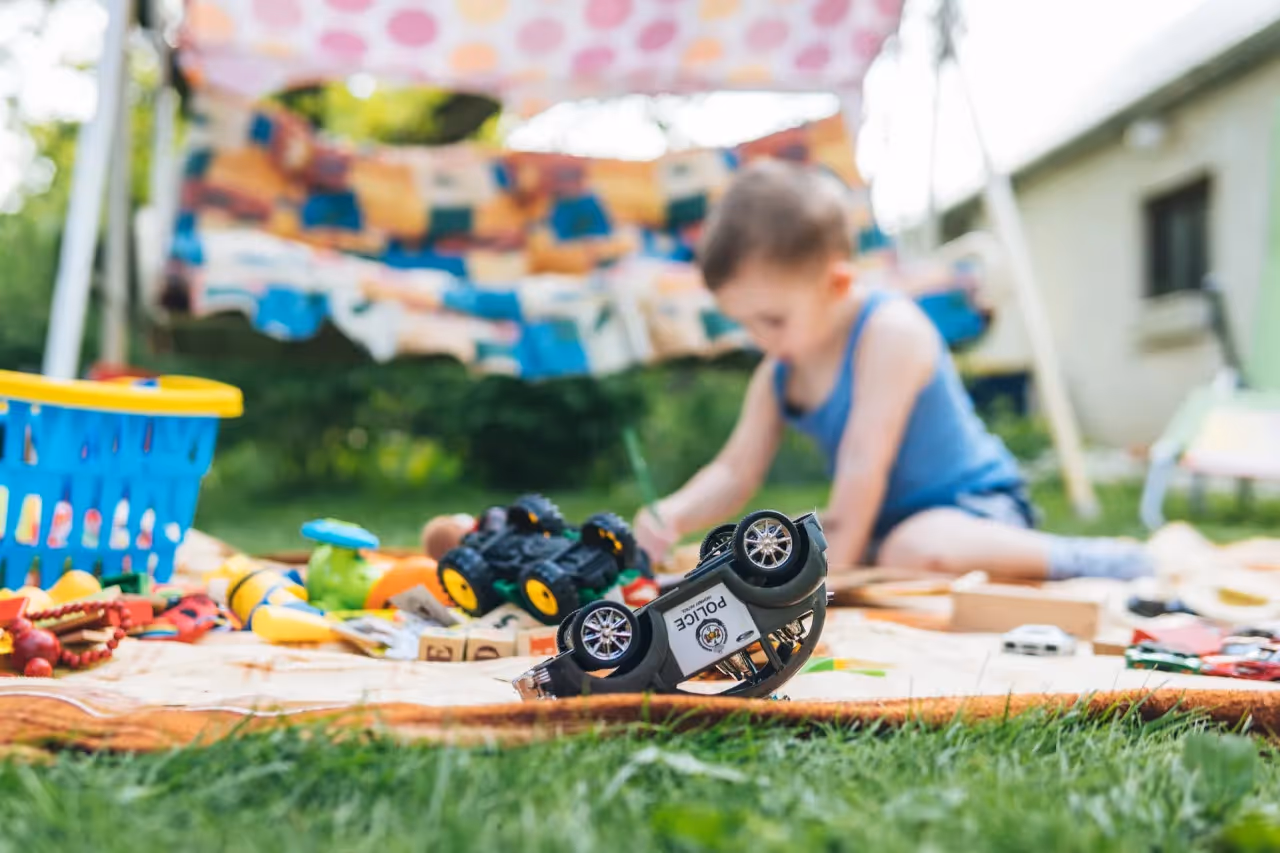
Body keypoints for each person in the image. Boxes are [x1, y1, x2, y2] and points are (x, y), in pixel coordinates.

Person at [632, 159, 1152, 583]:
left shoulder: (890, 332)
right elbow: (733, 471)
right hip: (888, 525)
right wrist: (671, 514)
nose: (757, 339)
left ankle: (1083, 558)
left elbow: (863, 464)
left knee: (912, 549)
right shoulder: (780, 370)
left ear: (836, 284)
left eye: (771, 319)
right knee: (811, 551)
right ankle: (879, 551)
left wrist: (825, 575)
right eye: (742, 324)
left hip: (975, 512)